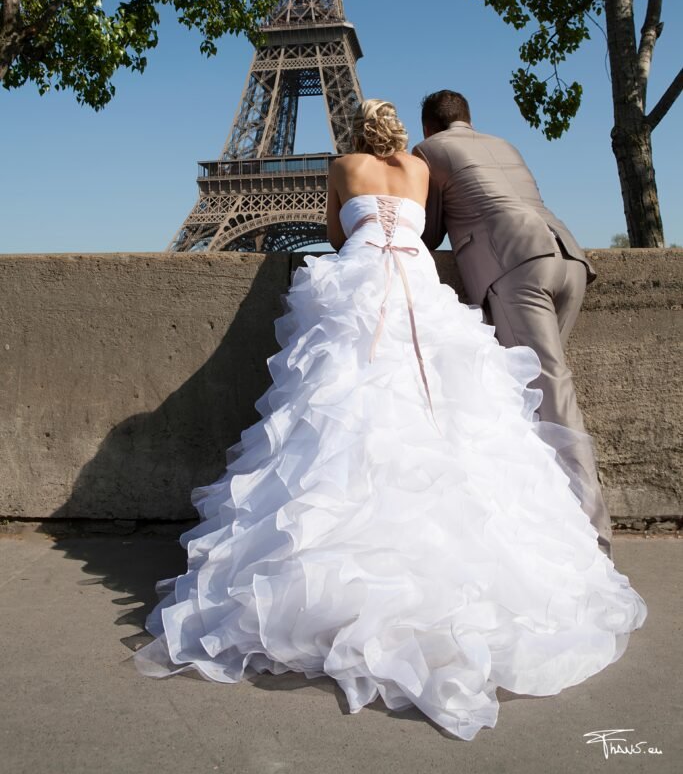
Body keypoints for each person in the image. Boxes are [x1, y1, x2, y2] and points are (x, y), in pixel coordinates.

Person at [135, 98, 646, 741]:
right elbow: (428, 237)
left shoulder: (343, 165)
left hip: (362, 282)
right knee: (448, 409)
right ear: (402, 131)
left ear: (356, 129)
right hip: (421, 280)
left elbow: (339, 235)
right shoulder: (420, 169)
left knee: (338, 407)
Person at [413, 90, 613, 560]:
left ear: (427, 127)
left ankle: (594, 536)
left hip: (515, 265)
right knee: (528, 398)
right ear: (468, 117)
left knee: (551, 397)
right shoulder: (504, 144)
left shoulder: (429, 152)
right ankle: (541, 517)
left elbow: (430, 231)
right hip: (566, 257)